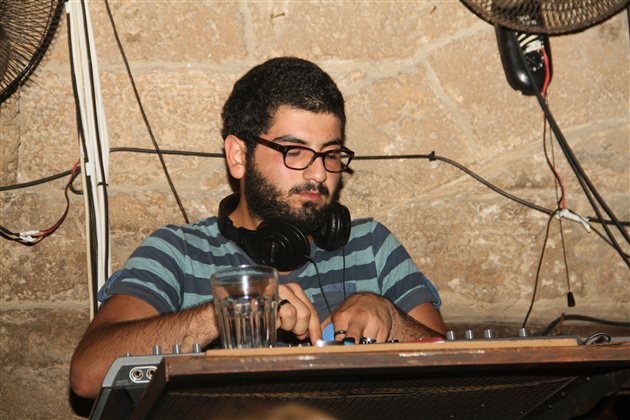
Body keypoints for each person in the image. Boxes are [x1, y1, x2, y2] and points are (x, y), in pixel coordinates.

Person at [70, 57, 447, 399]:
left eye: (330, 154)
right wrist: (233, 311)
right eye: (294, 151)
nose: (319, 174)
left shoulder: (372, 245)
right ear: (238, 155)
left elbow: (455, 372)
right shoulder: (177, 252)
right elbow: (88, 375)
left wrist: (390, 316)